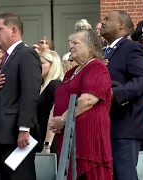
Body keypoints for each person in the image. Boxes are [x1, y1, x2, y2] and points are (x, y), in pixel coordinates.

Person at [49, 29, 113, 180]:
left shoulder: (97, 68)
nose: (71, 45)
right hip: (69, 140)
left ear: (90, 47)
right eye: (70, 42)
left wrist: (63, 120)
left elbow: (88, 100)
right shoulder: (70, 73)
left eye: (76, 42)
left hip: (88, 140)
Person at [0, 13, 41, 180]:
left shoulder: (26, 54)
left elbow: (30, 93)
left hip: (16, 138)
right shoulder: (4, 61)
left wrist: (24, 128)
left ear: (14, 30)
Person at [101, 10, 143, 179]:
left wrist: (115, 93)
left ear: (121, 24)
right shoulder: (103, 53)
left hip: (125, 127)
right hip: (105, 126)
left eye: (108, 19)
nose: (103, 22)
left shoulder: (132, 48)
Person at [37, 51, 63, 153]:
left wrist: (47, 144)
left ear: (53, 65)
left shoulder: (55, 84)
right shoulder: (39, 87)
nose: (38, 66)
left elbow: (55, 114)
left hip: (50, 141)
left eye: (42, 63)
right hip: (38, 139)